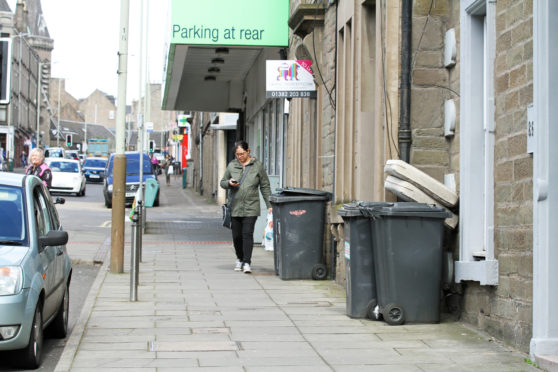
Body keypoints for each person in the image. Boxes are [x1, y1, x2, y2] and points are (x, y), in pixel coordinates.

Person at [220, 141, 272, 274]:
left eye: (242, 154)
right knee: (236, 236)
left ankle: (247, 262)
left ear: (248, 151)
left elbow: (265, 186)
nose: (239, 157)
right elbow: (222, 182)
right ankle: (239, 258)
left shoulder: (257, 166)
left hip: (251, 206)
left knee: (247, 234)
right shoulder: (232, 165)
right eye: (237, 154)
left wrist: (269, 205)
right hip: (235, 206)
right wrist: (229, 183)